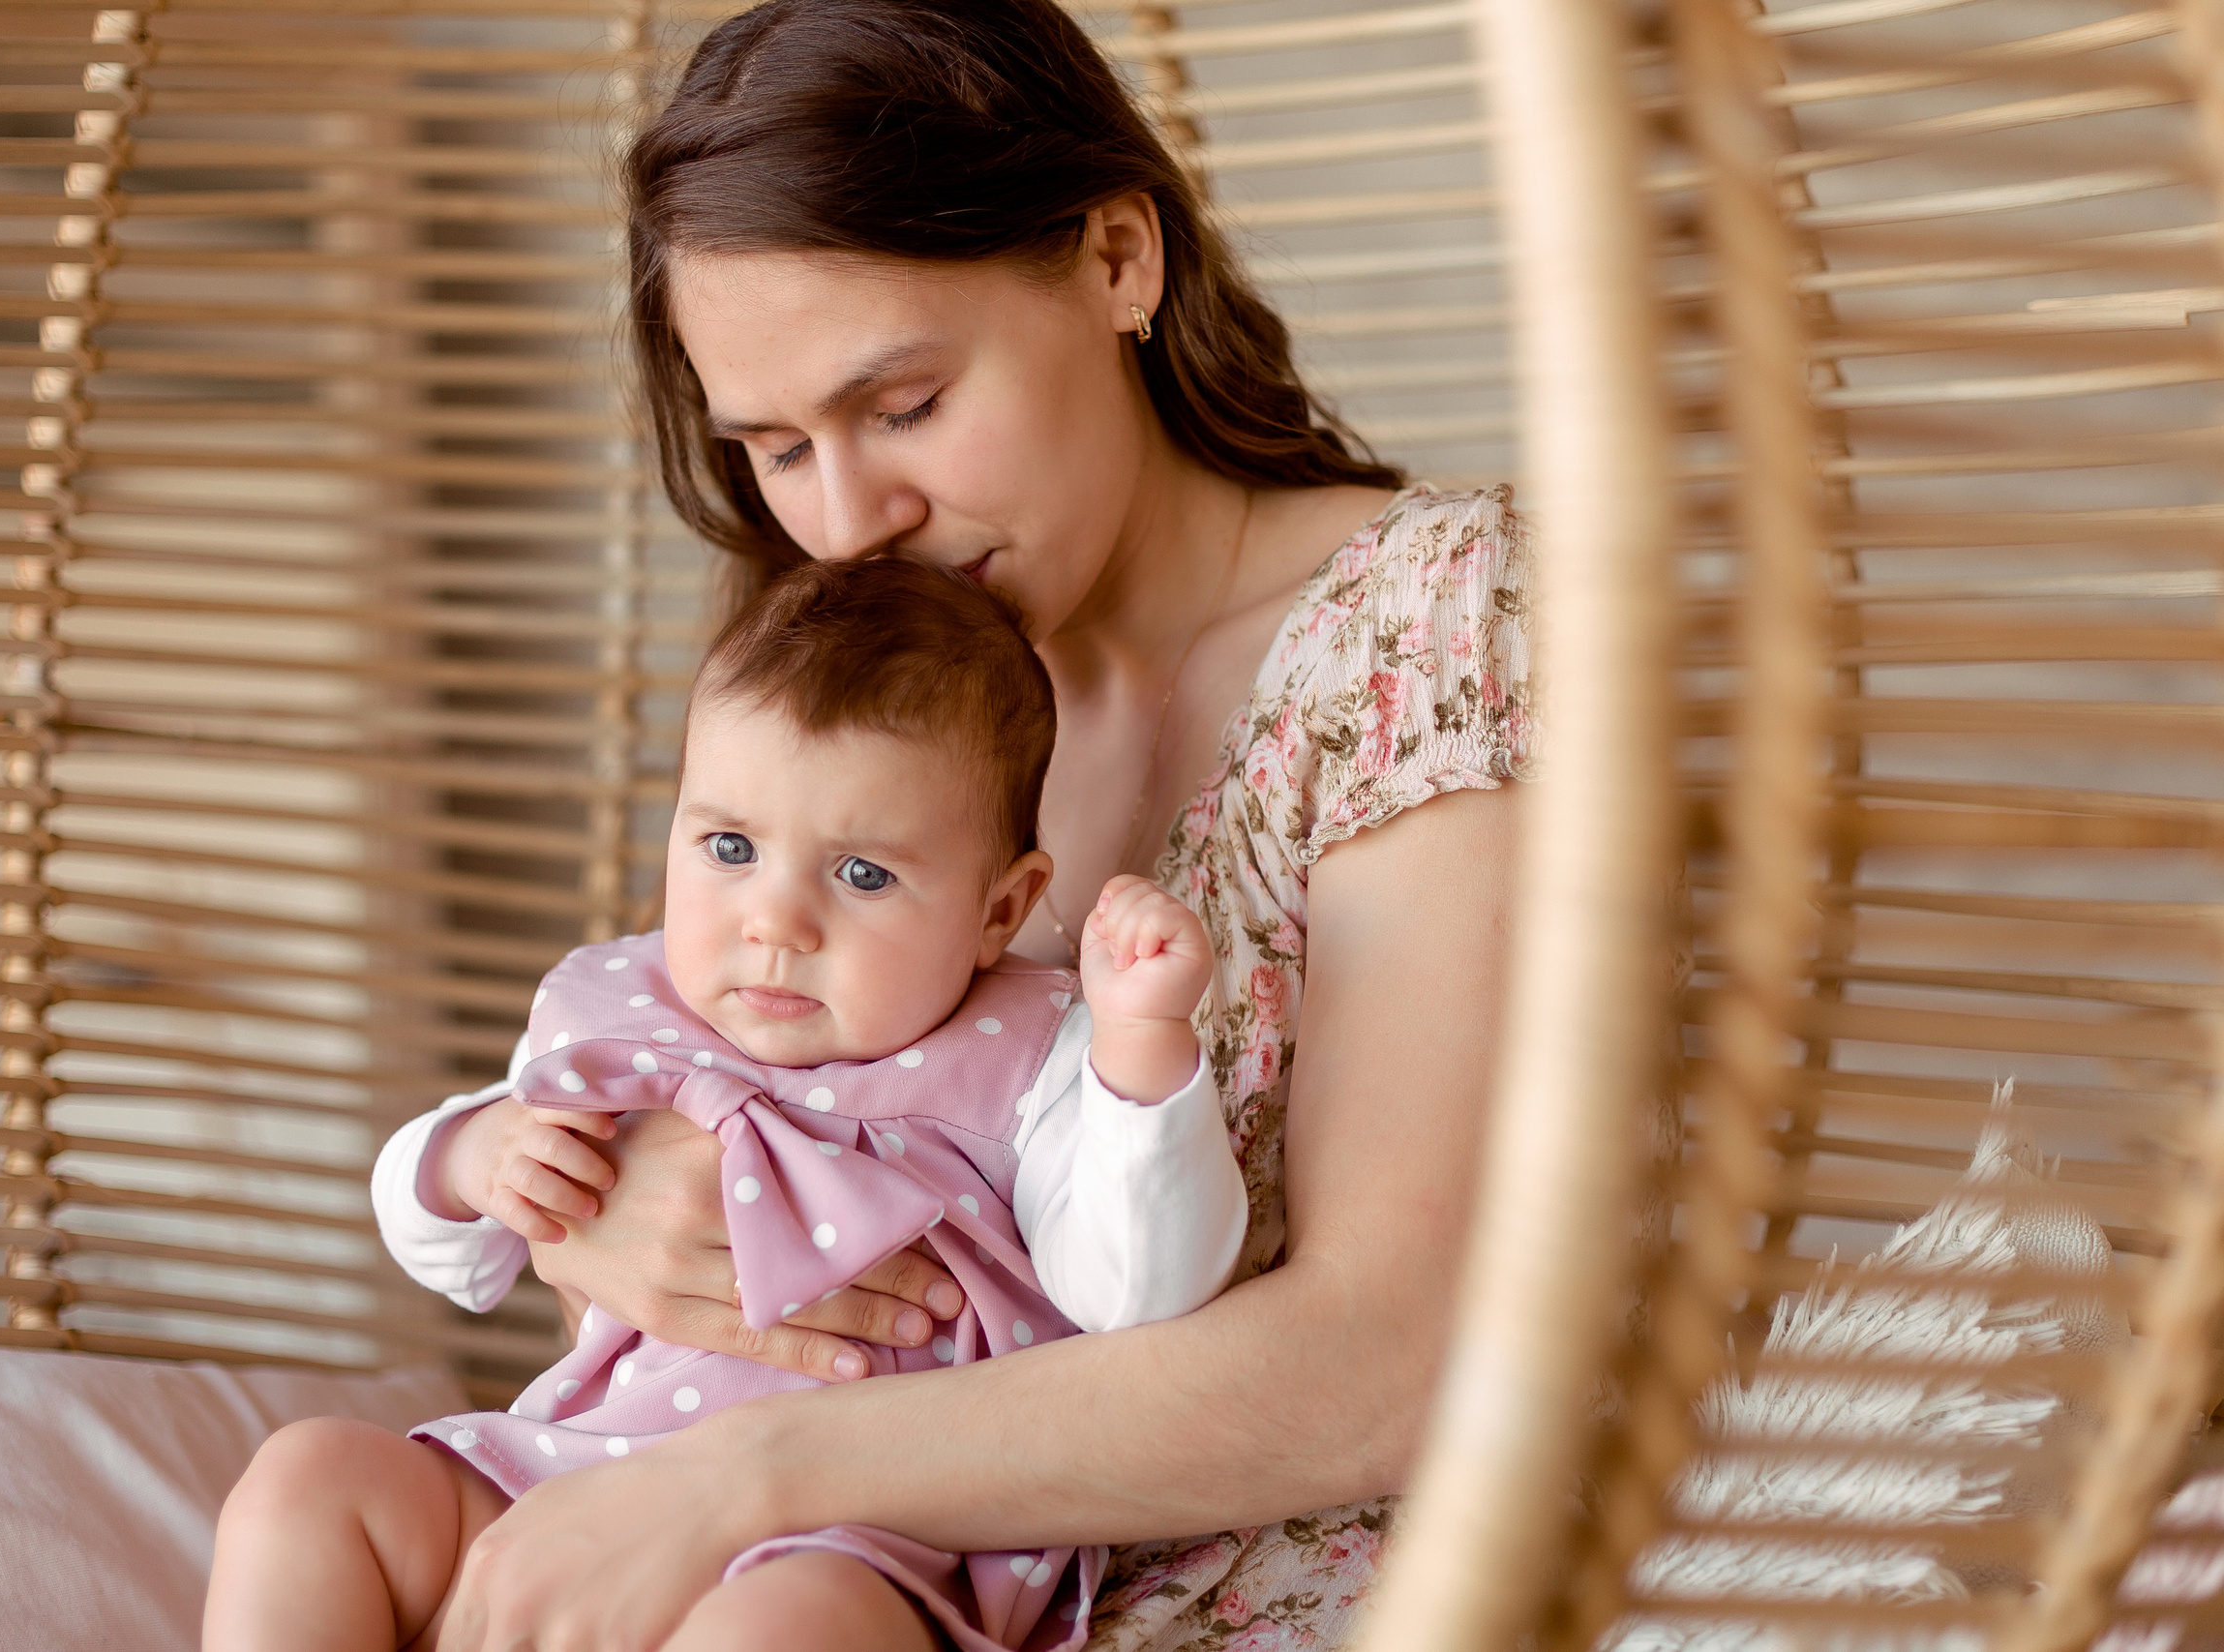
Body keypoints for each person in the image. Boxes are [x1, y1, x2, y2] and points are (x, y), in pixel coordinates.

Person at [408, 1, 1535, 1647]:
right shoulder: (863, 701)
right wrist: (613, 1221)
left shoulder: (1432, 618)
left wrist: (750, 1478)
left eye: (907, 403)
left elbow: (1391, 1362)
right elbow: (688, 1170)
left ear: (1115, 259)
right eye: (778, 446)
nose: (851, 523)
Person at [203, 556, 1248, 1652]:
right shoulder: (622, 1008)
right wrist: (472, 1158)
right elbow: (448, 1244)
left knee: (784, 1630)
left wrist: (1140, 1053)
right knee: (310, 1477)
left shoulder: (1028, 1055)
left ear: (1000, 909)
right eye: (731, 848)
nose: (775, 922)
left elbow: (1142, 1294)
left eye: (862, 875)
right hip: (571, 1483)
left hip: (861, 1539)